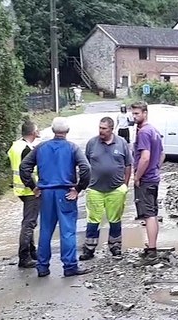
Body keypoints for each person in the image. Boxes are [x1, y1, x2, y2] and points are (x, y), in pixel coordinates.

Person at [19, 117, 92, 278]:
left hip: (46, 193)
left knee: (45, 230)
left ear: (52, 130)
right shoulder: (72, 148)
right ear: (67, 131)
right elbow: (86, 168)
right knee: (67, 231)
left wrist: (33, 186)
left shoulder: (41, 147)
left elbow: (24, 166)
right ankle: (69, 266)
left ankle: (43, 267)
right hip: (65, 193)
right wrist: (78, 188)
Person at [81, 116, 133, 260]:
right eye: (99, 128)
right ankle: (89, 249)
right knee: (93, 219)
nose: (101, 131)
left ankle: (115, 247)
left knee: (115, 219)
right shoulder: (92, 143)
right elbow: (85, 164)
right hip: (95, 189)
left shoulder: (121, 143)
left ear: (111, 129)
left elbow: (128, 164)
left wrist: (125, 185)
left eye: (104, 129)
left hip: (116, 189)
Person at [129, 101, 164, 266]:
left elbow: (145, 157)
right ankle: (152, 248)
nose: (134, 116)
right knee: (152, 214)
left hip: (146, 179)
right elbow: (162, 154)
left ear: (145, 113)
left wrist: (137, 176)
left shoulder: (144, 132)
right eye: (133, 113)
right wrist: (156, 169)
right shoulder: (154, 130)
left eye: (137, 113)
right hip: (154, 178)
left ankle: (151, 252)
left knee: (148, 215)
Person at [7, 120, 41, 268]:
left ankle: (32, 251)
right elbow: (26, 171)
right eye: (37, 130)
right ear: (33, 132)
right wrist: (34, 187)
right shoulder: (27, 149)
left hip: (20, 188)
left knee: (29, 220)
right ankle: (24, 257)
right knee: (29, 223)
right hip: (29, 190)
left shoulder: (16, 145)